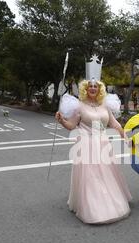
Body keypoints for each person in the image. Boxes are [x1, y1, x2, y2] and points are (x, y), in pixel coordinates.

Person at [55, 79, 132, 224]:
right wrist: (61, 121)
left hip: (104, 144)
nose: (92, 88)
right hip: (86, 145)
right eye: (90, 86)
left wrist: (125, 137)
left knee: (107, 175)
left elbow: (114, 124)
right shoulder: (79, 106)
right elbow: (71, 125)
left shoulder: (105, 105)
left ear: (99, 89)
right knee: (91, 177)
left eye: (95, 86)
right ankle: (93, 207)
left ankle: (110, 200)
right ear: (85, 88)